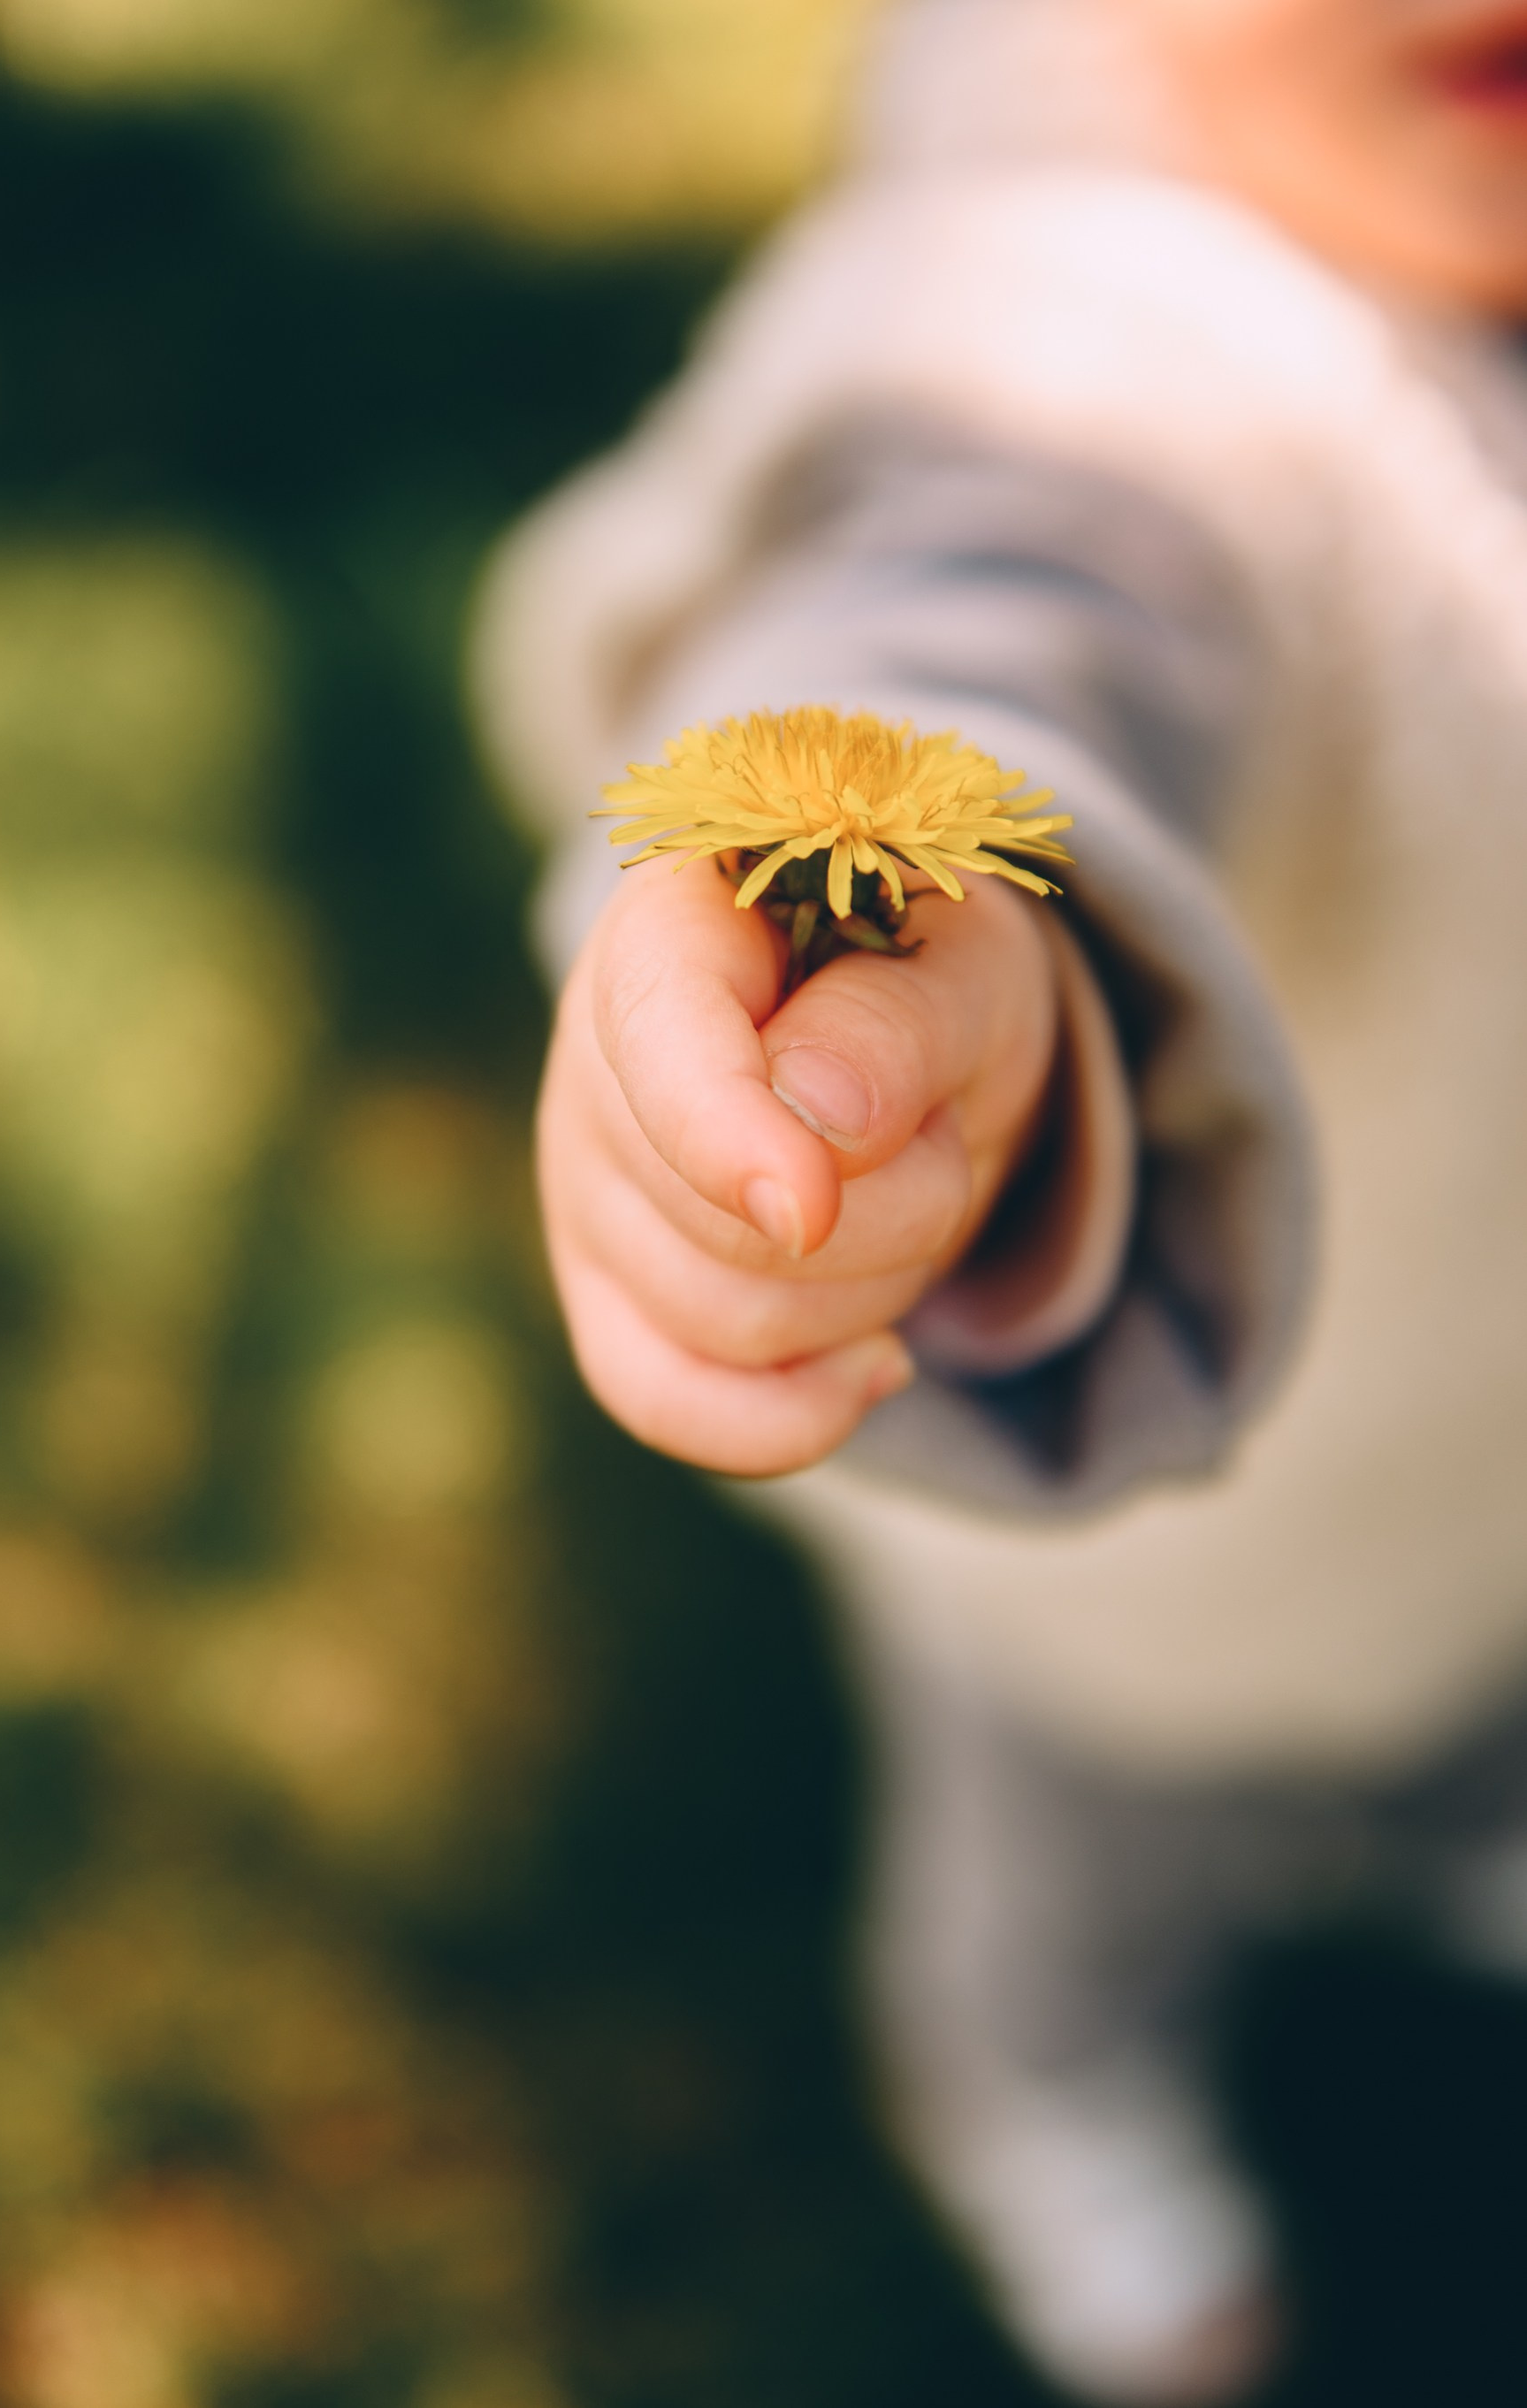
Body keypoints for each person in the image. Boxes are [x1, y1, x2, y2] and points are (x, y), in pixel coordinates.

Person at [471, 1, 1527, 2397]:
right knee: (1051, 1908)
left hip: (1483, 1467)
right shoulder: (1094, 338)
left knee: (1482, 1714)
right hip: (1109, 1592)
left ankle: (1454, 1826)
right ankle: (1070, 2133)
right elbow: (989, 597)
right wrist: (897, 934)